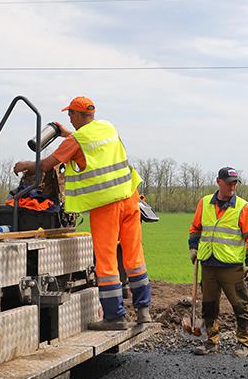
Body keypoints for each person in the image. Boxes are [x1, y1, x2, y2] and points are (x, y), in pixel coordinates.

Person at [12, 96, 151, 328]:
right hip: (130, 198)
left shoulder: (76, 140)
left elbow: (46, 165)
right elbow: (90, 143)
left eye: (70, 114)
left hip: (106, 205)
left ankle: (115, 317)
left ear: (77, 115)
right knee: (134, 257)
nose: (69, 117)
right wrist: (67, 133)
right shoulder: (107, 127)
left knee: (106, 262)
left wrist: (25, 165)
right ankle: (143, 311)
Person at [188, 167, 248, 358]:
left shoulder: (243, 207)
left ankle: (245, 343)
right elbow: (195, 228)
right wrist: (193, 247)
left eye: (235, 182)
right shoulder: (204, 203)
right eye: (229, 182)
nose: (233, 186)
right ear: (218, 181)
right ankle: (211, 342)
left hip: (232, 267)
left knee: (240, 305)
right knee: (209, 305)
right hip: (208, 264)